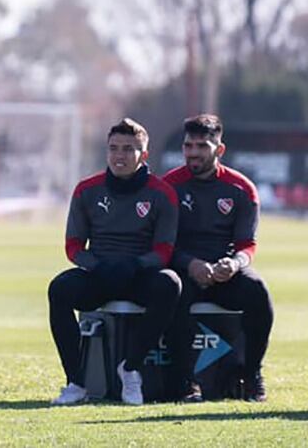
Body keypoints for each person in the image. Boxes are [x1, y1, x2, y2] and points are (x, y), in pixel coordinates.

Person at [48, 118, 181, 406]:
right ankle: (76, 381)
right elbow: (73, 247)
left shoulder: (162, 193)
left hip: (138, 276)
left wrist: (136, 265)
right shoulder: (86, 190)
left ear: (144, 155)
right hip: (100, 274)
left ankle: (130, 369)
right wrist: (96, 265)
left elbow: (164, 251)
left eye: (128, 149)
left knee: (170, 284)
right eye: (114, 148)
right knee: (59, 289)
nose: (119, 155)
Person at [163, 114, 272, 402]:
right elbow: (160, 245)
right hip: (183, 269)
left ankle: (251, 376)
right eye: (188, 146)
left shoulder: (242, 188)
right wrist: (189, 264)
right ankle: (185, 382)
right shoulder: (168, 186)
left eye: (202, 146)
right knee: (169, 289)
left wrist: (234, 264)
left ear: (219, 150)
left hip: (224, 272)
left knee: (258, 292)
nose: (193, 153)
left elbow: (247, 245)